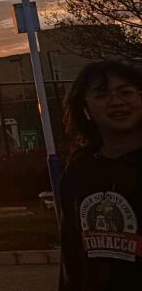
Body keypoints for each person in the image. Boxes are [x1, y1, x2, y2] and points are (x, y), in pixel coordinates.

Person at [58, 61, 142, 291]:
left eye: (126, 92)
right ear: (84, 106)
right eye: (102, 94)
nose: (116, 102)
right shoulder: (80, 168)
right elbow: (71, 249)